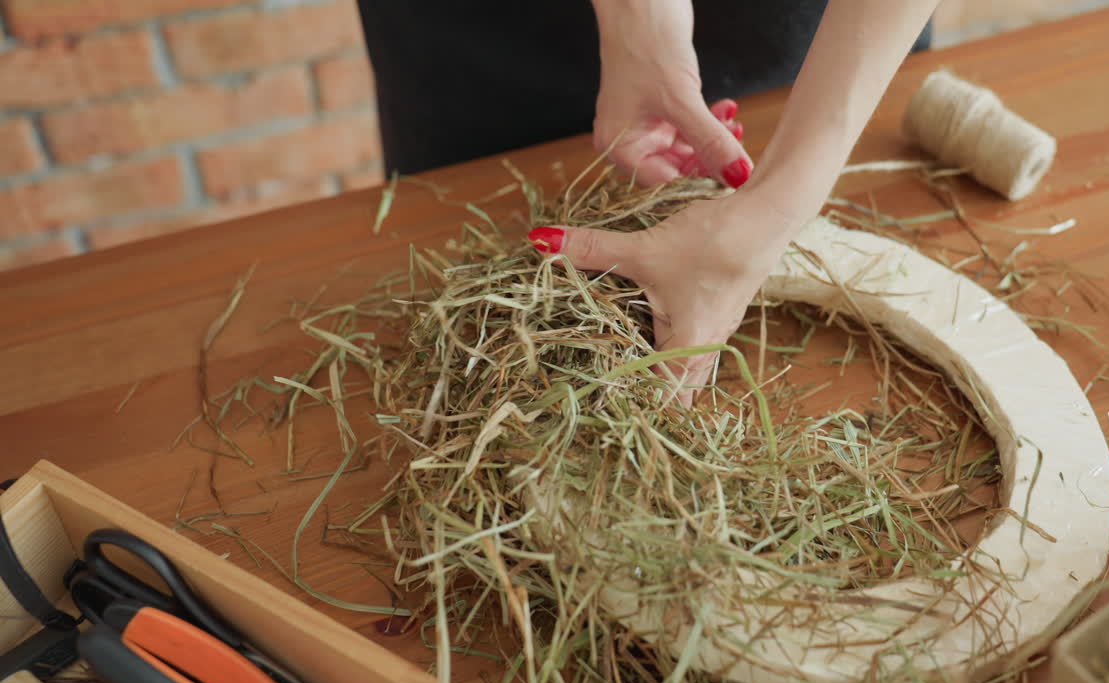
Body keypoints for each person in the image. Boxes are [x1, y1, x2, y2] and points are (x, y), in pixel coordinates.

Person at [357, 1, 939, 403]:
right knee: (447, 243)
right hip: (485, 44)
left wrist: (783, 197)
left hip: (837, 42)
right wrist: (637, 24)